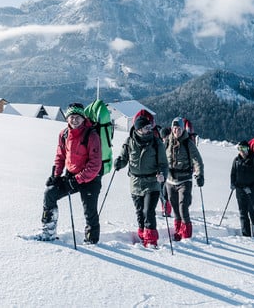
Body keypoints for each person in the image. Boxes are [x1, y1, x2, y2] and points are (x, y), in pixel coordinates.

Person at [37, 103, 103, 243]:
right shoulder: (64, 134)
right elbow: (60, 156)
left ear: (83, 118)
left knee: (89, 211)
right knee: (50, 193)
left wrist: (76, 180)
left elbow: (95, 164)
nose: (74, 120)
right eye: (72, 117)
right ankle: (48, 231)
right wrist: (55, 176)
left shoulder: (92, 136)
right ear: (67, 118)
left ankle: (92, 240)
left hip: (91, 179)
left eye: (78, 117)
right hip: (71, 176)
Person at [114, 115, 168, 247]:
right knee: (139, 213)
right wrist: (119, 163)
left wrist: (162, 175)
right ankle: (143, 237)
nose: (149, 130)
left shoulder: (156, 143)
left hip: (152, 182)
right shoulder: (129, 142)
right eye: (146, 128)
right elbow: (124, 158)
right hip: (135, 183)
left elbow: (163, 164)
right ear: (138, 129)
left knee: (148, 211)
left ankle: (151, 241)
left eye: (150, 127)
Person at [165, 117, 205, 241]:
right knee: (175, 209)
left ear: (183, 129)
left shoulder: (188, 143)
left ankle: (187, 236)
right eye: (175, 128)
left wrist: (200, 175)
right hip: (170, 181)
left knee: (183, 208)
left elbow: (197, 160)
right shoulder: (167, 142)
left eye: (179, 128)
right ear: (172, 129)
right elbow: (161, 157)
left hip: (184, 180)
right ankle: (178, 233)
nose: (177, 131)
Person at [230, 140, 254, 237]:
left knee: (253, 213)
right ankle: (246, 236)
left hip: (252, 192)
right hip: (240, 191)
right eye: (240, 148)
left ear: (248, 149)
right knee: (243, 214)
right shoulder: (236, 160)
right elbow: (233, 174)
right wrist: (232, 184)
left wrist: (252, 188)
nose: (242, 151)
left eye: (244, 148)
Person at [159, 126, 172, 217]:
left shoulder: (171, 144)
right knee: (161, 191)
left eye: (165, 137)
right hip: (163, 171)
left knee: (165, 192)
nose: (164, 139)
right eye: (163, 137)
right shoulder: (162, 145)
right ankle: (164, 208)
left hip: (170, 172)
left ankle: (167, 210)